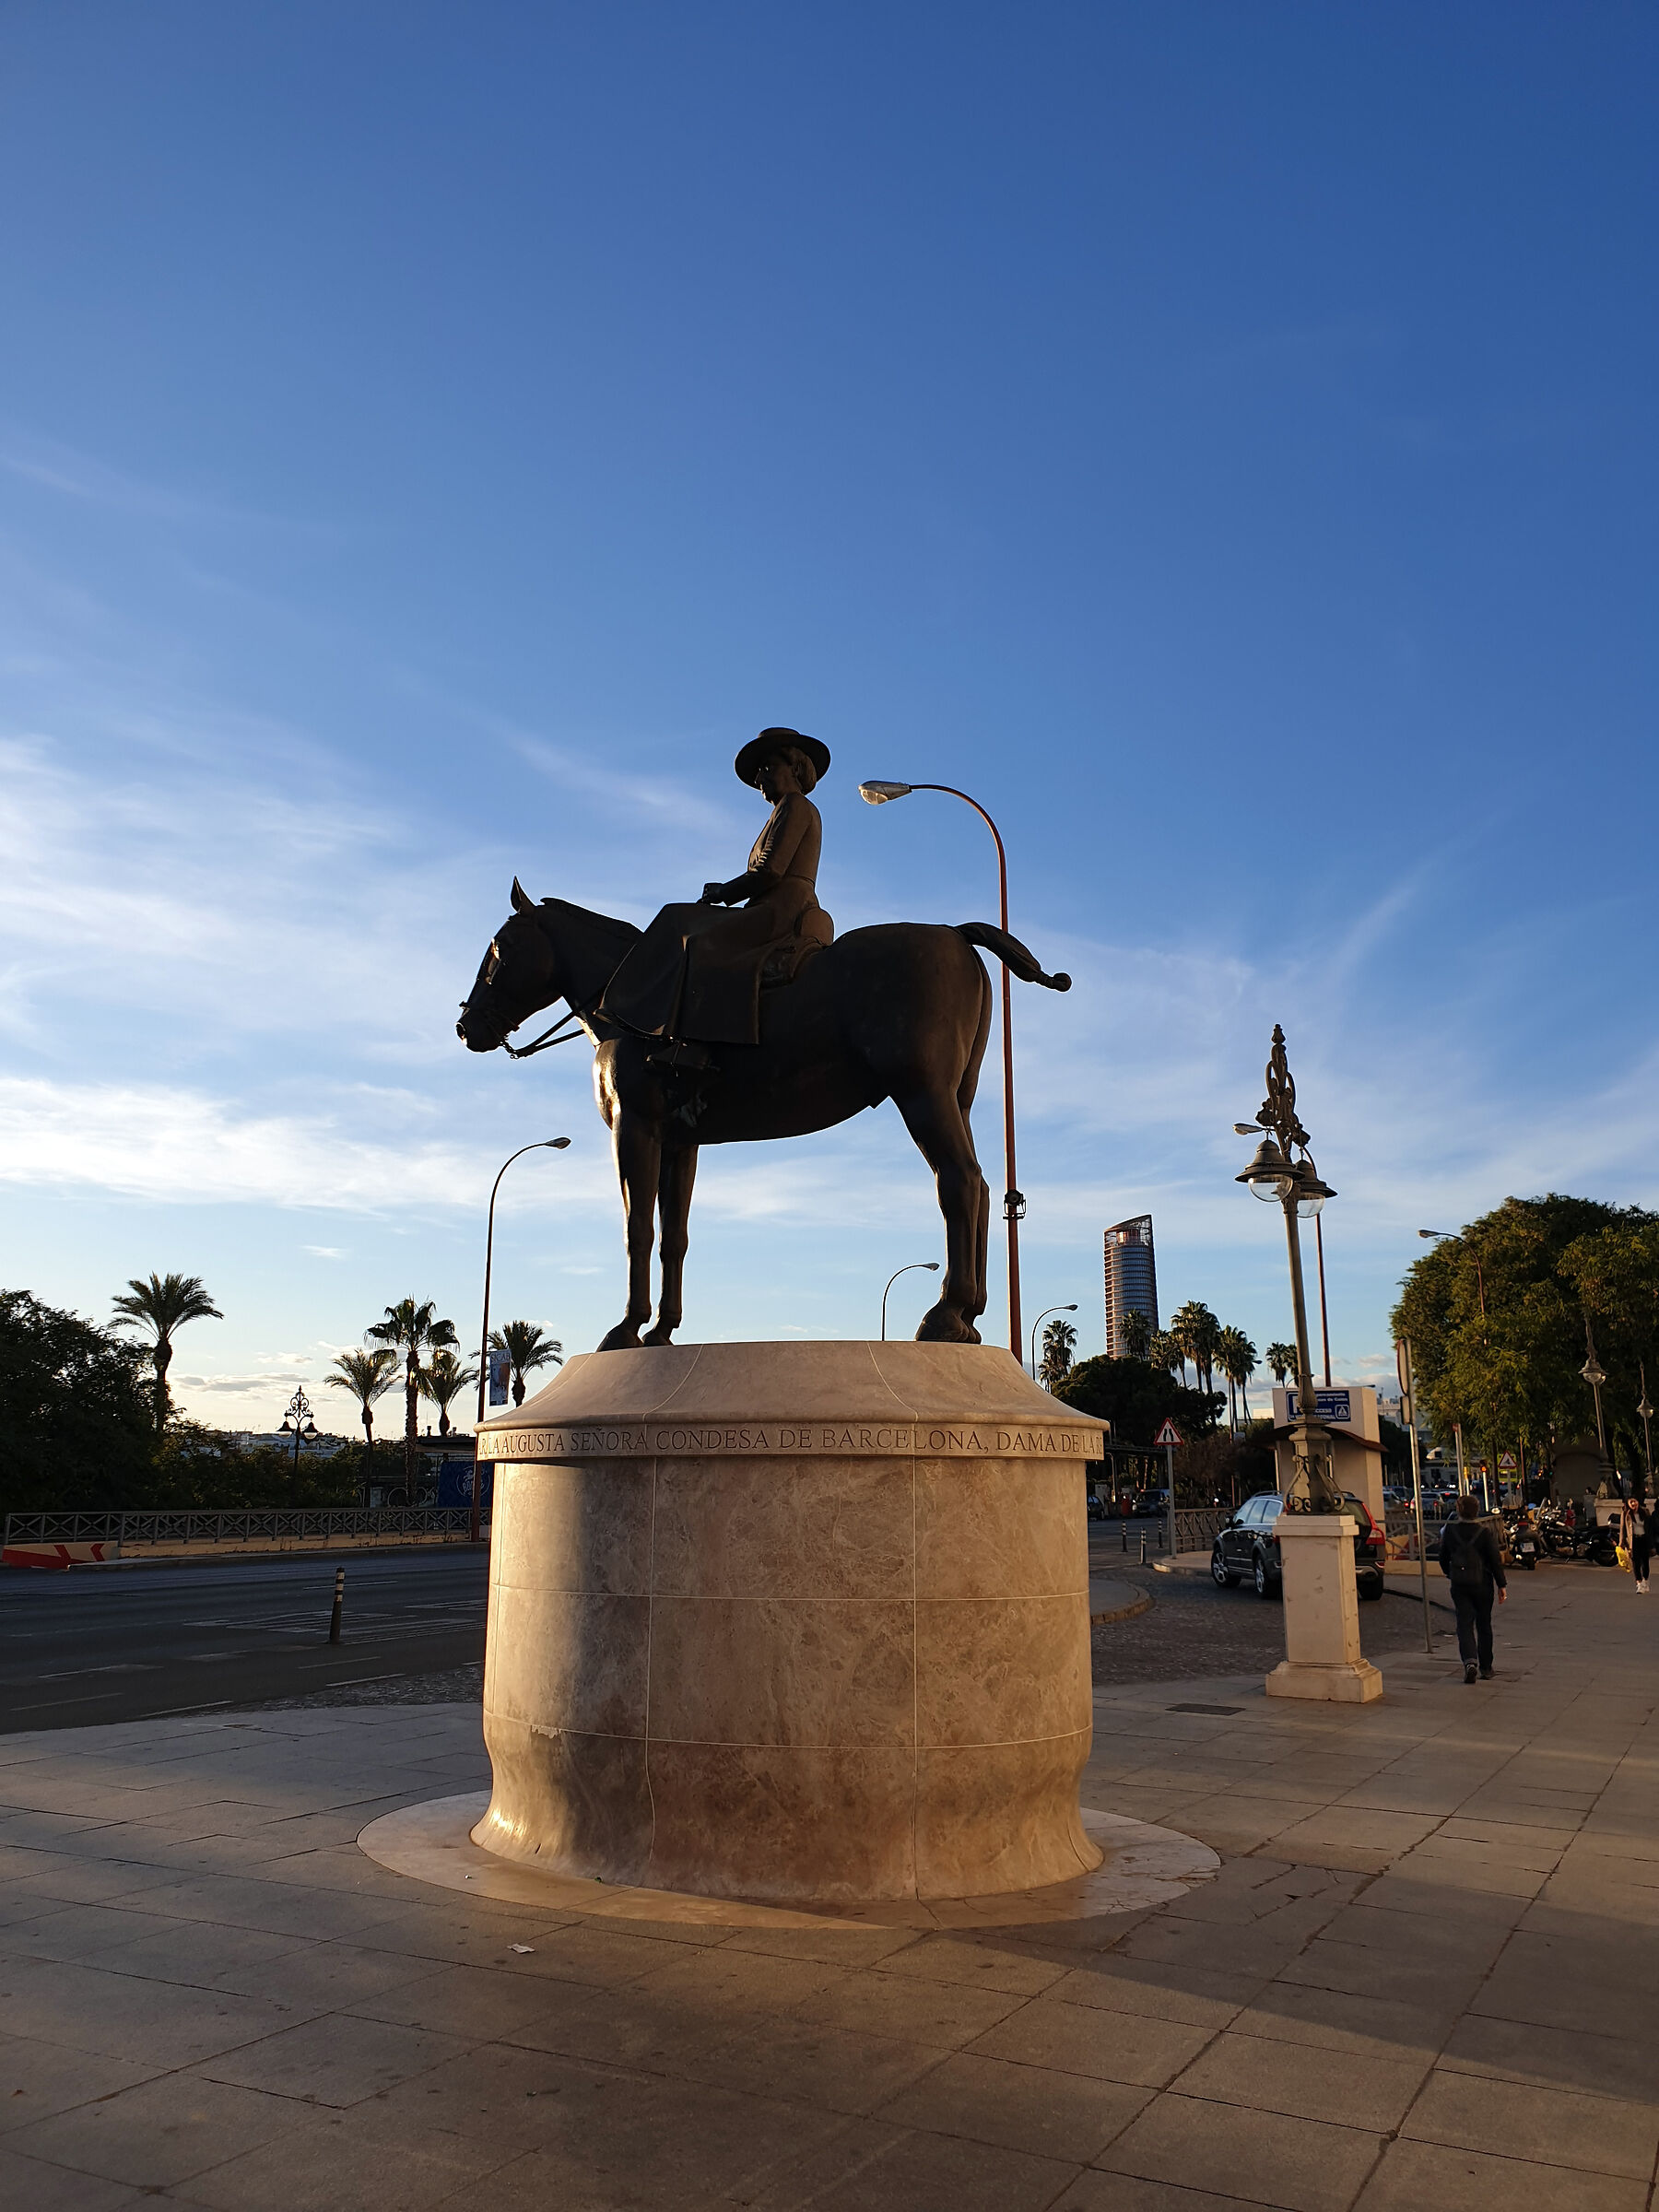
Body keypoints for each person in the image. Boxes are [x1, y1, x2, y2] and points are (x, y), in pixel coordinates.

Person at [600, 727, 833, 1066]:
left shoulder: (795, 805)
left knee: (701, 942)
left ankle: (695, 1045)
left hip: (782, 907)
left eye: (767, 768)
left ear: (794, 768)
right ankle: (641, 1010)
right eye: (758, 774)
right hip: (769, 904)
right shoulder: (784, 809)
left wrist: (724, 892)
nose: (760, 779)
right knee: (676, 917)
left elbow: (769, 871)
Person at [1438, 1491, 1507, 1684]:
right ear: (1477, 1512)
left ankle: (1469, 1661)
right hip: (1483, 1584)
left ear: (1458, 1511)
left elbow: (1443, 1558)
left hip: (1460, 1584)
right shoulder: (1484, 1533)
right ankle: (1486, 1667)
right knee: (1484, 1624)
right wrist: (1502, 1584)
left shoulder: (1450, 1532)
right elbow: (1495, 1561)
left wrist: (1450, 1574)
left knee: (1464, 1624)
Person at [1620, 1492, 1652, 1593]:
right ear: (1628, 1503)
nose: (1633, 1504)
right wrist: (1621, 1542)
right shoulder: (1626, 1514)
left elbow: (1650, 1528)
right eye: (1631, 1502)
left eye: (1635, 1501)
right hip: (1633, 1541)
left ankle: (1645, 1581)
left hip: (1644, 1540)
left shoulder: (1645, 1512)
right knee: (1636, 1563)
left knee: (1645, 1563)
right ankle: (1639, 1583)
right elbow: (1622, 1529)